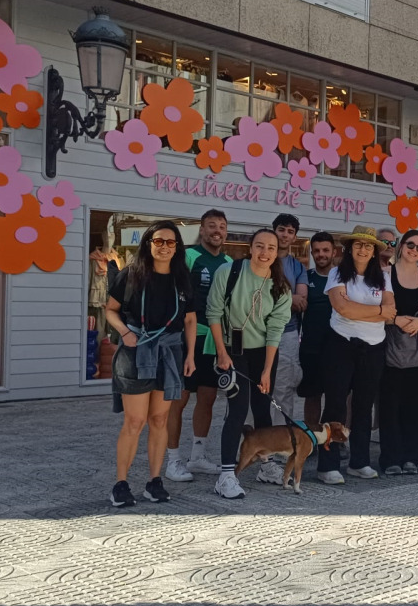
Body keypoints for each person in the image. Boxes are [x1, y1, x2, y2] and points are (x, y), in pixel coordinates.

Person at [107, 222, 193, 507]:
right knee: (135, 420)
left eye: (171, 243)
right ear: (148, 243)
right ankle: (121, 483)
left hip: (170, 353)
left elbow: (190, 319)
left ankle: (154, 481)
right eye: (159, 241)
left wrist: (190, 355)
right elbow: (111, 310)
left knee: (159, 419)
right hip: (136, 351)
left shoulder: (182, 278)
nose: (165, 247)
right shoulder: (130, 275)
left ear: (177, 247)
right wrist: (126, 332)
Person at [206, 229, 292, 500]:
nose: (264, 252)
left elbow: (275, 329)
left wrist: (267, 370)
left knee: (263, 408)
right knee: (238, 409)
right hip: (233, 350)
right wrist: (221, 352)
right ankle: (227, 475)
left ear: (277, 251)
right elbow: (214, 312)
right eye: (259, 246)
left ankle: (266, 466)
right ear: (250, 248)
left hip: (263, 353)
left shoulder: (281, 285)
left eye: (271, 248)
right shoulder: (229, 272)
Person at [318, 226, 396, 482]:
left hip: (374, 347)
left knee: (363, 406)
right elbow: (342, 308)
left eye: (368, 246)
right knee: (335, 405)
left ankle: (359, 462)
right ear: (350, 248)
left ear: (374, 251)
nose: (363, 249)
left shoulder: (384, 278)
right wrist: (377, 312)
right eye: (358, 244)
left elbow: (391, 311)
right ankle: (327, 465)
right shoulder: (337, 273)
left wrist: (359, 309)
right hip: (341, 344)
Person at [165, 209, 229, 482]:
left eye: (222, 226)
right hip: (185, 338)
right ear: (201, 230)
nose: (217, 230)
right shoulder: (189, 257)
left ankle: (198, 457)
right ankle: (172, 460)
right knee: (178, 401)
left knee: (208, 398)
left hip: (213, 340)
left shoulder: (228, 262)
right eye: (211, 226)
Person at [257, 213, 310, 483]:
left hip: (288, 335)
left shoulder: (298, 266)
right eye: (281, 229)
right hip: (256, 335)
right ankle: (257, 452)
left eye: (290, 231)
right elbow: (263, 297)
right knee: (256, 396)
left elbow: (301, 301)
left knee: (284, 394)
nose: (285, 235)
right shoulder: (261, 260)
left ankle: (279, 453)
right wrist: (287, 298)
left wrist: (281, 297)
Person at [379, 229, 418, 476]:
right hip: (389, 349)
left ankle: (412, 456)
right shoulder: (383, 275)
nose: (414, 250)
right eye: (410, 244)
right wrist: (397, 319)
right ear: (401, 246)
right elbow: (374, 312)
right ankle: (390, 457)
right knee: (390, 406)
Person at [298, 231, 335, 429]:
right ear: (312, 253)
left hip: (338, 348)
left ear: (333, 252)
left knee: (336, 397)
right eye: (317, 251)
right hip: (311, 348)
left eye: (325, 250)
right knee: (312, 396)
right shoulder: (305, 278)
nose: (321, 254)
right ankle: (311, 437)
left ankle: (335, 440)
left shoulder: (344, 278)